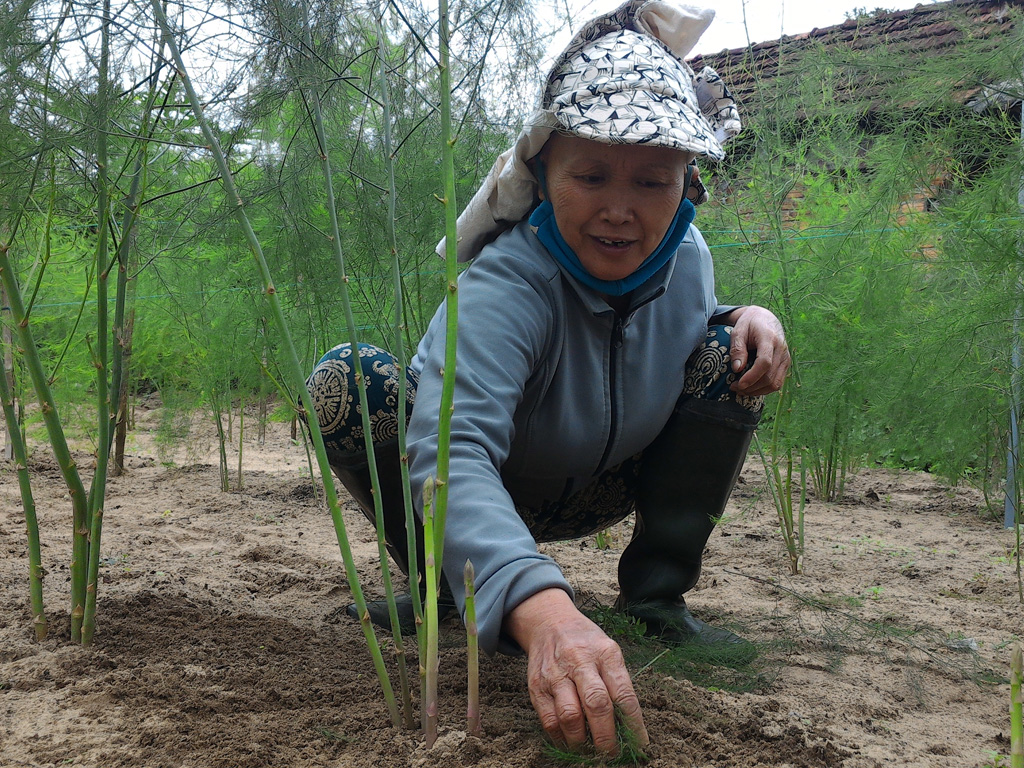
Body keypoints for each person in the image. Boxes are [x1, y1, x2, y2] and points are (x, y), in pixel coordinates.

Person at [304, 0, 790, 755]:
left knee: (724, 353)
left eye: (654, 182)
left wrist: (744, 315)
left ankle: (656, 600)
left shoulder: (687, 256)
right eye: (590, 175)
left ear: (688, 185)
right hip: (494, 487)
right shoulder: (504, 288)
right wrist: (549, 615)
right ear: (542, 171)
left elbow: (663, 327)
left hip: (606, 484)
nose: (621, 211)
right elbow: (454, 457)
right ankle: (446, 591)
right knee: (351, 380)